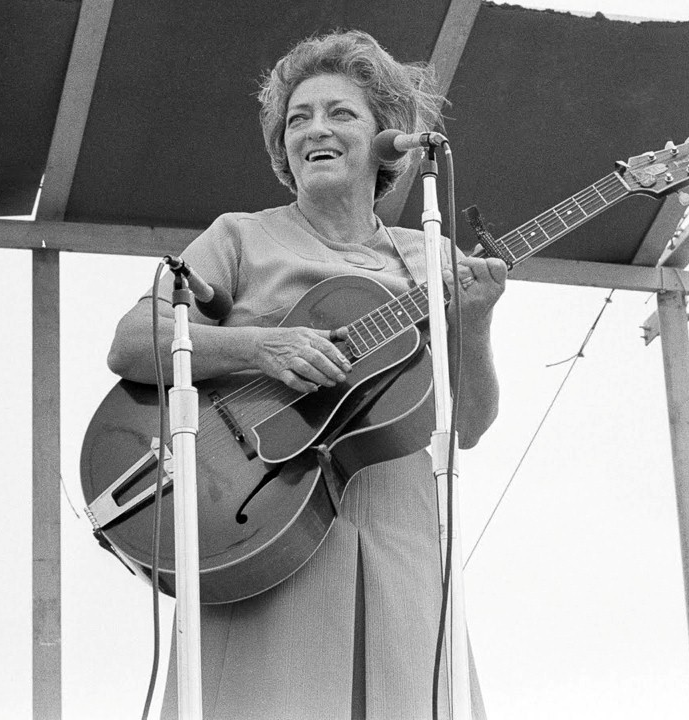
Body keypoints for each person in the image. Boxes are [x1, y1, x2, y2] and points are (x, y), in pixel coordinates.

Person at [105, 29, 506, 720]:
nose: (314, 128)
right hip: (264, 520)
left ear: (387, 141)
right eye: (298, 119)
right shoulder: (239, 236)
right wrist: (261, 347)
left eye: (340, 113)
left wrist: (475, 320)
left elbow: (466, 425)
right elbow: (131, 342)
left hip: (400, 530)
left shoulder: (431, 255)